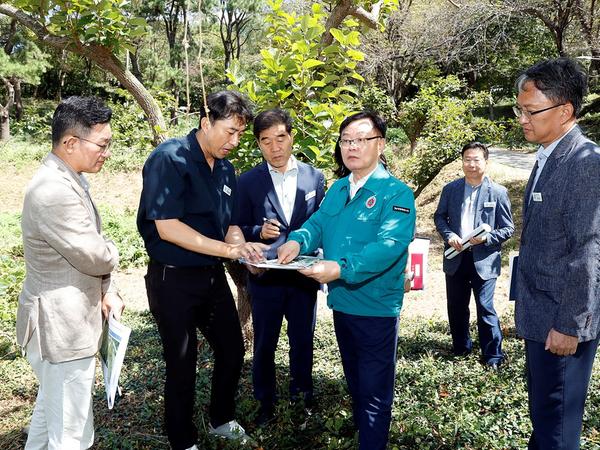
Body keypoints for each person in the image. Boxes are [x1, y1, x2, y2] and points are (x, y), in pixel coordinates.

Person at [278, 111, 416, 450]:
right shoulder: (339, 187)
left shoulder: (396, 194)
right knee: (355, 381)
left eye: (360, 140)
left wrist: (339, 268)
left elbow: (388, 247)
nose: (351, 147)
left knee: (374, 393)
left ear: (380, 145)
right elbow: (319, 223)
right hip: (342, 303)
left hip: (376, 308)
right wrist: (298, 240)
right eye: (345, 140)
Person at [137, 91, 266, 450]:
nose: (234, 142)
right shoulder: (170, 158)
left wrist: (243, 245)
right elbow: (168, 227)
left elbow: (227, 223)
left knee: (232, 348)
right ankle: (182, 438)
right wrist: (228, 249)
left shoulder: (225, 168)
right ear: (205, 123)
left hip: (211, 275)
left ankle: (221, 418)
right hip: (172, 276)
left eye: (240, 134)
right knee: (182, 360)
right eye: (229, 132)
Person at [16, 96, 123, 449]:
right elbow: (95, 254)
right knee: (72, 436)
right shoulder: (53, 191)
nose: (106, 152)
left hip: (66, 325)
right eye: (102, 144)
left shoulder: (69, 177)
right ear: (71, 143)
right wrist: (113, 252)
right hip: (60, 329)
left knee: (49, 423)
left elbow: (94, 244)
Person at [513, 58, 600, 449]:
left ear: (565, 111)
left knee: (558, 432)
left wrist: (570, 324)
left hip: (561, 324)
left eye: (531, 111)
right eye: (520, 109)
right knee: (546, 423)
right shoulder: (550, 153)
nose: (522, 119)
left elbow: (589, 249)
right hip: (541, 315)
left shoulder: (584, 163)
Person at [235, 108, 326, 425]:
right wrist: (257, 233)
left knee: (303, 341)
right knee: (264, 343)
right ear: (258, 144)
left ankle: (303, 398)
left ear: (292, 137)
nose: (275, 147)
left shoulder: (315, 177)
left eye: (281, 138)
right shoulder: (246, 182)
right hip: (265, 277)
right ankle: (265, 403)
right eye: (266, 141)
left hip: (303, 277)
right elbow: (236, 229)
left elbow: (322, 224)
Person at [433, 142, 514, 369]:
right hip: (456, 256)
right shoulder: (451, 189)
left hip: (484, 259)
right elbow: (439, 217)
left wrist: (486, 238)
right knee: (456, 306)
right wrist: (449, 235)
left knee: (485, 306)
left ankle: (493, 355)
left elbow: (508, 228)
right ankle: (461, 347)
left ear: (485, 162)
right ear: (462, 162)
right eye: (467, 159)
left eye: (476, 159)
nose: (471, 164)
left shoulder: (498, 192)